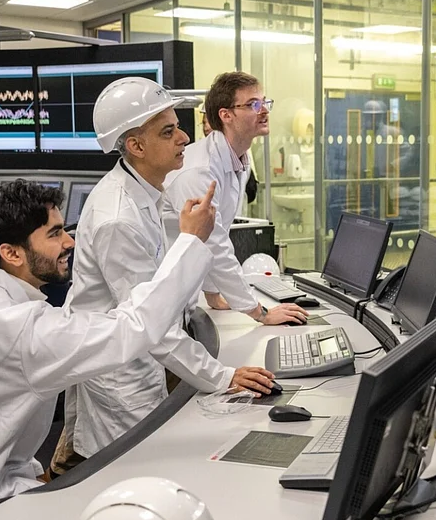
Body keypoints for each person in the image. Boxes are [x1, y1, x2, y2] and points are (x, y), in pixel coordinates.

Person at [0, 179, 218, 520]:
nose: (70, 242)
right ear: (11, 254)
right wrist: (190, 241)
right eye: (55, 234)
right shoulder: (20, 329)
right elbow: (133, 329)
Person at [49, 78, 275, 476]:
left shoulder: (145, 194)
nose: (185, 137)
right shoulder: (118, 217)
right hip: (123, 377)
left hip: (141, 359)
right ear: (135, 146)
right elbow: (150, 323)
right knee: (125, 478)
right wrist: (223, 375)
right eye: (168, 131)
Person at [164, 72, 306, 325]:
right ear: (226, 115)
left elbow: (216, 232)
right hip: (159, 295)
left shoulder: (241, 158)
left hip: (182, 290)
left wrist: (213, 294)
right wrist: (260, 313)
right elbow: (214, 245)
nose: (264, 110)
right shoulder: (200, 172)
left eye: (265, 102)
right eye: (253, 104)